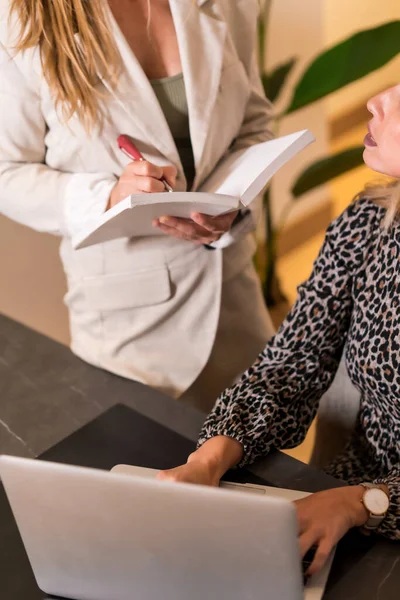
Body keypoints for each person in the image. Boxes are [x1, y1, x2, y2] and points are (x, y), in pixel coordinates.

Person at [159, 85, 400, 574]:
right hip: (341, 500)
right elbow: (293, 361)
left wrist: (366, 502)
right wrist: (209, 459)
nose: (377, 100)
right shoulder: (370, 221)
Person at [0, 0, 274, 409]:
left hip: (234, 308)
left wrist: (234, 204)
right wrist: (108, 198)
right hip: (131, 335)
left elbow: (254, 125)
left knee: (263, 468)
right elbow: (7, 171)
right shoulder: (19, 15)